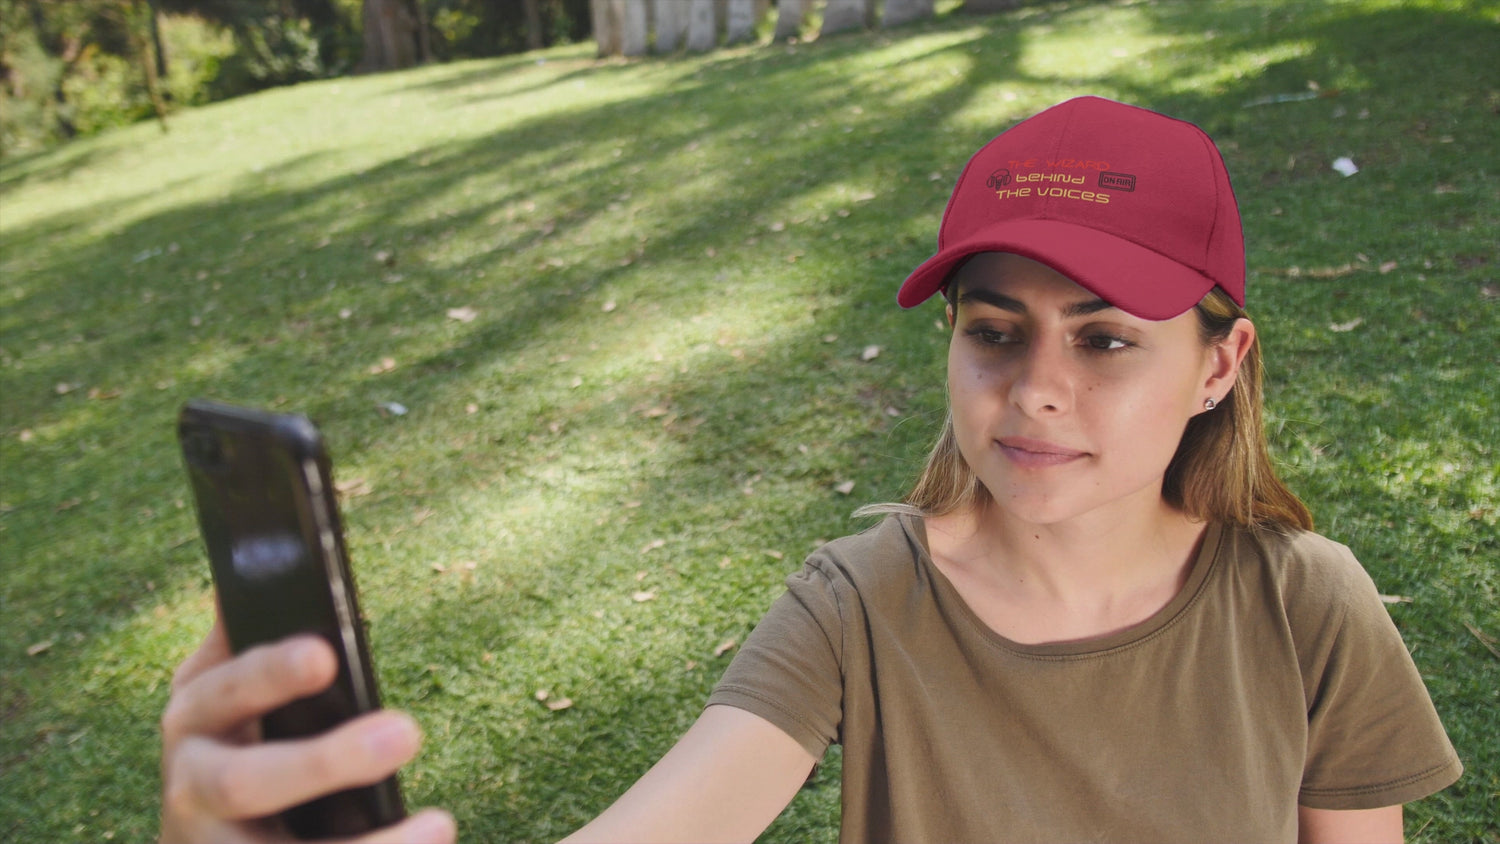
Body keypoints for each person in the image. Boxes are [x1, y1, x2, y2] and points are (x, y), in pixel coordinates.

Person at [159, 96, 1462, 843]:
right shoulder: (858, 602)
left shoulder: (1306, 605)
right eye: (994, 331)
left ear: (1220, 368)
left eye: (1107, 338)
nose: (1037, 386)